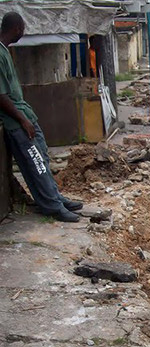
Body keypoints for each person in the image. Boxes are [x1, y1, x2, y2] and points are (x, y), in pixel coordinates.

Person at [0, 12, 82, 222]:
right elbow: (0, 96)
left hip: (25, 114)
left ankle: (55, 198)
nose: (24, 32)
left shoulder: (5, 52)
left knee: (42, 158)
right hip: (16, 120)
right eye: (24, 28)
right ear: (17, 28)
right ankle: (52, 206)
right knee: (35, 162)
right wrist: (22, 120)